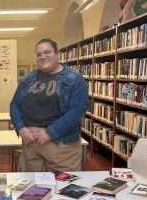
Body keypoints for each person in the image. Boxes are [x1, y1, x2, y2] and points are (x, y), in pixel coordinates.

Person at [10, 38, 89, 172]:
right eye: (39, 54)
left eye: (47, 52)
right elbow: (15, 105)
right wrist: (21, 128)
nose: (43, 56)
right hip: (31, 145)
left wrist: (50, 132)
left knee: (63, 188)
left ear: (57, 54)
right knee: (34, 189)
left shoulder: (74, 79)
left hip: (62, 147)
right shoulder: (28, 79)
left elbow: (77, 110)